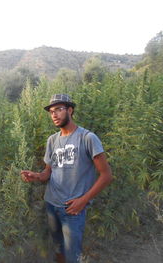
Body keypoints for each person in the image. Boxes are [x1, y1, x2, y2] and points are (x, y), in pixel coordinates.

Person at [21, 94, 112, 263]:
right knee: (58, 249)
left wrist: (83, 200)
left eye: (59, 110)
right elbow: (48, 172)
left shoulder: (87, 138)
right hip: (51, 203)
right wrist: (36, 176)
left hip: (72, 209)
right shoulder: (52, 140)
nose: (54, 114)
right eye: (51, 111)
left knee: (72, 256)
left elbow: (106, 176)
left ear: (70, 110)